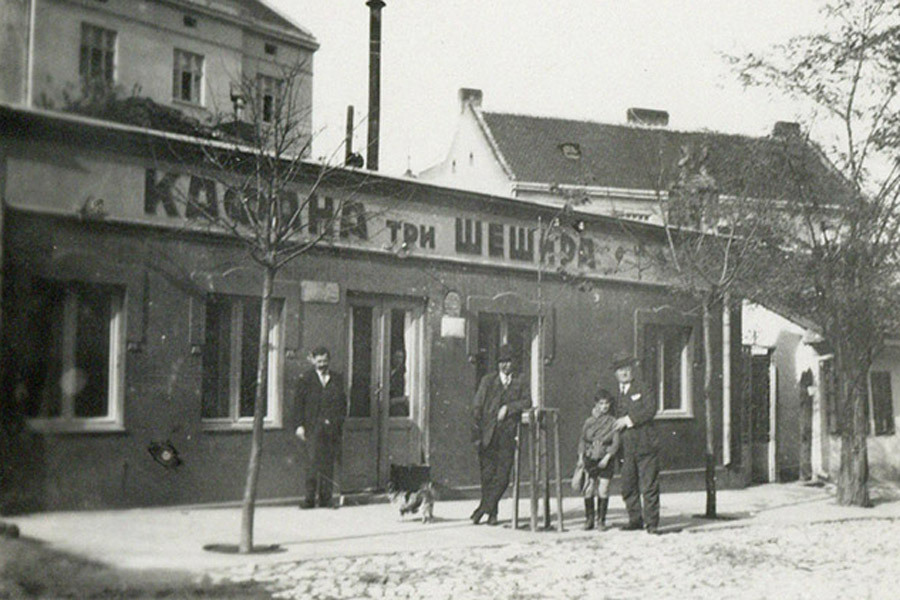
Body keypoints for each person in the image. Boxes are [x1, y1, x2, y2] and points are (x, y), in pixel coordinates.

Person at [470, 344, 531, 525]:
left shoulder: (520, 381)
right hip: (487, 435)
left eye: (508, 361)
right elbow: (476, 407)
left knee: (503, 477)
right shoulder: (488, 381)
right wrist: (477, 435)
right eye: (502, 362)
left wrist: (508, 408)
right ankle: (492, 514)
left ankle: (482, 509)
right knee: (487, 476)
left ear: (514, 363)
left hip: (508, 435)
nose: (505, 365)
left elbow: (527, 401)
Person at [612, 351, 661, 534]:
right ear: (615, 373)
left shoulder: (643, 387)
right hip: (625, 448)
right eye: (620, 370)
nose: (624, 373)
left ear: (632, 370)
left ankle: (652, 523)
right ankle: (635, 520)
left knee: (648, 485)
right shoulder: (615, 393)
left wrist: (628, 420)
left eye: (627, 369)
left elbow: (650, 410)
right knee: (628, 485)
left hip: (645, 444)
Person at [294, 346, 346, 509]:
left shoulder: (337, 379)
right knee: (312, 463)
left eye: (325, 361)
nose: (322, 364)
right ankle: (309, 499)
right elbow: (298, 404)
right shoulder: (305, 379)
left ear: (329, 360)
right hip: (312, 427)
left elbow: (342, 403)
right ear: (313, 361)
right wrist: (299, 426)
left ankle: (326, 498)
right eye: (319, 361)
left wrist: (338, 422)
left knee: (328, 463)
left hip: (331, 428)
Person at [576, 388, 620, 530]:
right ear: (596, 404)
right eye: (601, 403)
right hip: (590, 457)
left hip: (606, 457)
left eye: (606, 403)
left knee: (603, 489)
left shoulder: (613, 422)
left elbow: (616, 443)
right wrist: (581, 458)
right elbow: (582, 440)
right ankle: (589, 520)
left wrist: (607, 458)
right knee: (588, 489)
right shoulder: (589, 421)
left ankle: (601, 520)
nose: (604, 406)